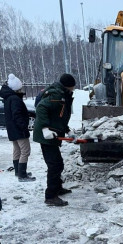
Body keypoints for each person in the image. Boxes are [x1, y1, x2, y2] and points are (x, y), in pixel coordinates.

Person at [33, 73, 76, 206]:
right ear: (68, 86)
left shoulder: (62, 94)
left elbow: (58, 117)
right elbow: (41, 108)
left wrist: (67, 130)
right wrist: (45, 128)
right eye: (73, 86)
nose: (74, 88)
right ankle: (51, 196)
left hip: (53, 133)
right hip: (46, 136)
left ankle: (57, 188)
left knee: (58, 163)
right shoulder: (56, 95)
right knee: (54, 165)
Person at [0, 74, 36, 182]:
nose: (21, 90)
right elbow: (17, 115)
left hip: (12, 129)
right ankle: (22, 175)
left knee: (17, 150)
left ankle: (18, 172)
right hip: (19, 130)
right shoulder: (15, 99)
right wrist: (23, 127)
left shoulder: (8, 98)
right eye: (20, 88)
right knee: (25, 151)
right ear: (16, 88)